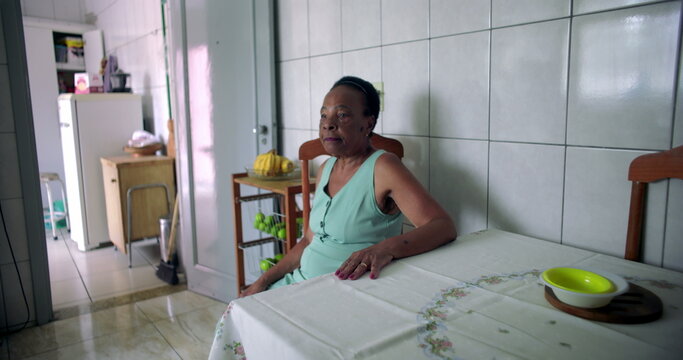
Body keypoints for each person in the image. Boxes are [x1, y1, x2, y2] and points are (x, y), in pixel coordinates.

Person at [241, 75, 456, 296]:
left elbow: (442, 226)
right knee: (243, 312)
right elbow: (308, 240)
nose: (328, 124)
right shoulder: (325, 168)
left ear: (368, 123)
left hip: (345, 293)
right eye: (324, 115)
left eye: (342, 115)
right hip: (300, 284)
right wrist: (262, 282)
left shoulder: (383, 167)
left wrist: (386, 249)